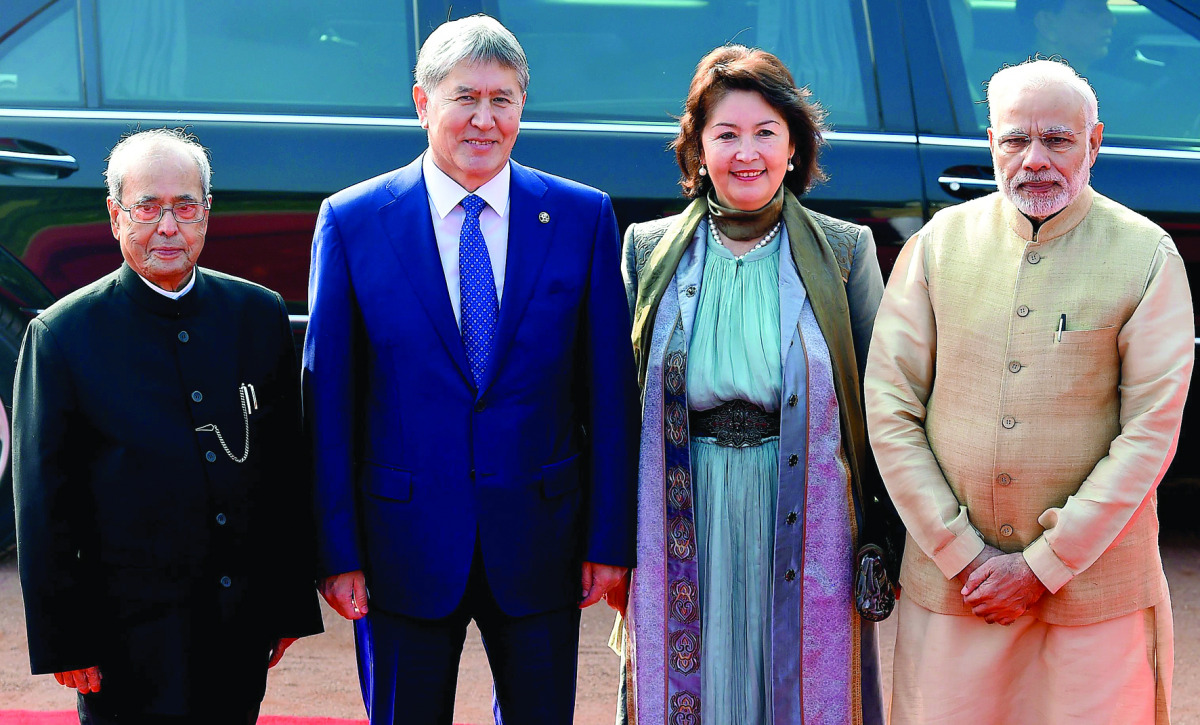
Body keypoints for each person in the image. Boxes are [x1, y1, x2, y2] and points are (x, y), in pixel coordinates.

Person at [303, 14, 640, 725]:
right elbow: (328, 401)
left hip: (542, 541)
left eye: (502, 99)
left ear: (523, 106)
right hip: (402, 547)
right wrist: (337, 550)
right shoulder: (353, 221)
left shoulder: (581, 217)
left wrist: (609, 538)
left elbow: (610, 395)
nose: (485, 119)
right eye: (465, 98)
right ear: (422, 102)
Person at [866, 58, 1191, 724]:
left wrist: (1044, 565)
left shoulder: (1146, 255)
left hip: (1094, 591)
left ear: (1094, 143)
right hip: (956, 588)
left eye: (1057, 140)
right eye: (1016, 139)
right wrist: (962, 554)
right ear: (992, 143)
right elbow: (890, 409)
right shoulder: (937, 246)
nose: (1034, 160)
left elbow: (1150, 433)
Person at [616, 45, 895, 725]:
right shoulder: (647, 250)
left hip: (805, 515)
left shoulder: (846, 251)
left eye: (766, 132)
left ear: (794, 147)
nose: (747, 153)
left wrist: (885, 533)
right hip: (683, 511)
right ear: (697, 149)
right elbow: (613, 409)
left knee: (797, 689)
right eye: (726, 134)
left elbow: (886, 406)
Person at [14, 128, 323, 724]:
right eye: (147, 208)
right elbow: (43, 506)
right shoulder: (62, 336)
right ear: (115, 216)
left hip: (238, 623)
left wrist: (288, 604)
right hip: (124, 635)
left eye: (184, 207)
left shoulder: (257, 316)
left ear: (207, 213)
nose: (167, 227)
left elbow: (285, 467)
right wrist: (65, 638)